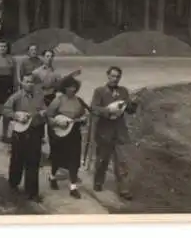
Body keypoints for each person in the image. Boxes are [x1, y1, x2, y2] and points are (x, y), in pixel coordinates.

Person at [90, 66, 139, 200]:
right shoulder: (99, 91)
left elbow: (129, 110)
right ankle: (98, 182)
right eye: (112, 76)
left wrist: (133, 104)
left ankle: (123, 188)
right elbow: (94, 108)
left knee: (121, 160)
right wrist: (108, 111)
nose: (115, 79)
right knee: (102, 159)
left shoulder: (123, 91)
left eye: (117, 77)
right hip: (104, 130)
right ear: (107, 76)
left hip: (119, 131)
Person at [3, 73, 47, 202]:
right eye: (26, 81)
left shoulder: (39, 97)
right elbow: (5, 109)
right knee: (17, 159)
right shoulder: (16, 97)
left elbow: (45, 109)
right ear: (21, 82)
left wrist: (44, 112)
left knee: (33, 161)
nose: (29, 84)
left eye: (31, 82)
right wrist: (16, 116)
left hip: (35, 131)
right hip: (20, 132)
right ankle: (13, 185)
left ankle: (32, 192)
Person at [45, 77, 87, 199]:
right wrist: (57, 123)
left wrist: (83, 119)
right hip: (59, 133)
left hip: (73, 132)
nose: (73, 89)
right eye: (70, 87)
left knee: (74, 157)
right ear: (64, 88)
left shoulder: (79, 101)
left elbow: (83, 115)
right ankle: (52, 177)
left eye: (74, 87)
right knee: (57, 157)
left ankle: (73, 187)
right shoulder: (58, 100)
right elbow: (49, 115)